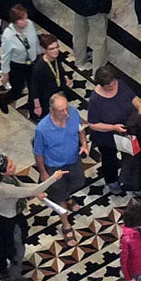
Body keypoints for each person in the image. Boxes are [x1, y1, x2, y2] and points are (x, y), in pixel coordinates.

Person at [0, 153, 65, 280]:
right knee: (17, 250)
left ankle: (2, 270)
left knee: (3, 247)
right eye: (11, 166)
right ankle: (15, 278)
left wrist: (38, 191)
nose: (14, 166)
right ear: (3, 173)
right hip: (8, 222)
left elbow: (22, 186)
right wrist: (53, 178)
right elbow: (28, 192)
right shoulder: (3, 188)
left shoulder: (2, 178)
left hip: (4, 216)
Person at [86, 64, 141, 196]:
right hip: (107, 137)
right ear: (102, 85)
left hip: (127, 130)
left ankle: (134, 182)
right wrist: (113, 127)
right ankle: (112, 181)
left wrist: (139, 107)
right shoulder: (95, 100)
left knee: (134, 157)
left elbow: (133, 97)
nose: (113, 86)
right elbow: (93, 124)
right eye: (109, 85)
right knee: (110, 160)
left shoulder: (120, 84)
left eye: (114, 82)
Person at [33, 93, 89, 233]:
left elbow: (80, 128)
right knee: (58, 195)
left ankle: (67, 196)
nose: (66, 113)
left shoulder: (73, 113)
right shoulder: (42, 129)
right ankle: (66, 224)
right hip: (54, 167)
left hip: (73, 161)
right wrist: (44, 172)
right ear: (52, 111)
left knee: (78, 182)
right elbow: (38, 153)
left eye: (66, 108)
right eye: (61, 111)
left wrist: (84, 144)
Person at [0, 5, 42, 114]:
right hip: (17, 65)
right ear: (15, 21)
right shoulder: (8, 36)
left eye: (26, 18)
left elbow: (35, 41)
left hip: (32, 61)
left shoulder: (30, 25)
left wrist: (39, 56)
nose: (25, 22)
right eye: (22, 19)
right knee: (17, 90)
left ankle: (33, 112)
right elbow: (5, 55)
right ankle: (4, 100)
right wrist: (5, 73)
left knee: (34, 88)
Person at [29, 33, 71, 119]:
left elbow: (59, 67)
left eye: (57, 47)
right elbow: (34, 87)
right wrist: (37, 106)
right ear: (44, 50)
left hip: (57, 89)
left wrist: (65, 76)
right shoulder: (39, 67)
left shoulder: (56, 57)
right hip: (45, 96)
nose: (55, 50)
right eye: (51, 49)